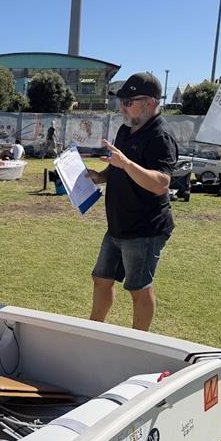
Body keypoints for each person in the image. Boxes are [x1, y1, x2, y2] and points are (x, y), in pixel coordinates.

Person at [86, 72, 178, 331]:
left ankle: (139, 340)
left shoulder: (161, 136)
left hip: (145, 229)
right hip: (118, 225)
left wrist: (126, 163)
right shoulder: (126, 130)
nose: (122, 107)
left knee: (139, 288)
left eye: (128, 102)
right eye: (121, 101)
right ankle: (94, 331)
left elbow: (161, 183)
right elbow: (117, 169)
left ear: (149, 102)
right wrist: (100, 176)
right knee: (101, 278)